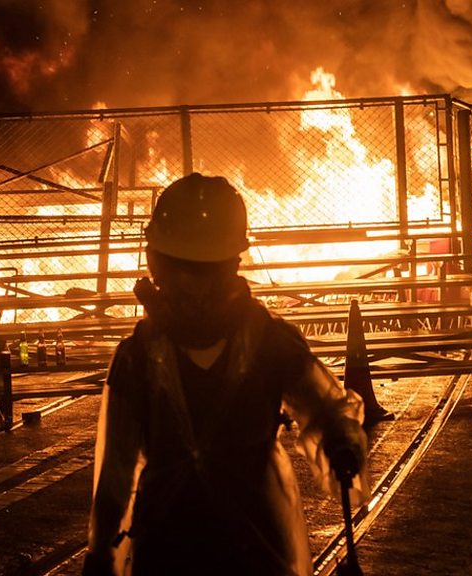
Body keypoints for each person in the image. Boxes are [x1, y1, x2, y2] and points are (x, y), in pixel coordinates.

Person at [84, 173, 369, 575]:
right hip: (243, 540)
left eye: (206, 274)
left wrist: (100, 554)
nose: (197, 292)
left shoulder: (143, 354)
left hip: (187, 544)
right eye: (188, 273)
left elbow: (115, 473)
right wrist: (340, 437)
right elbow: (114, 471)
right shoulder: (263, 341)